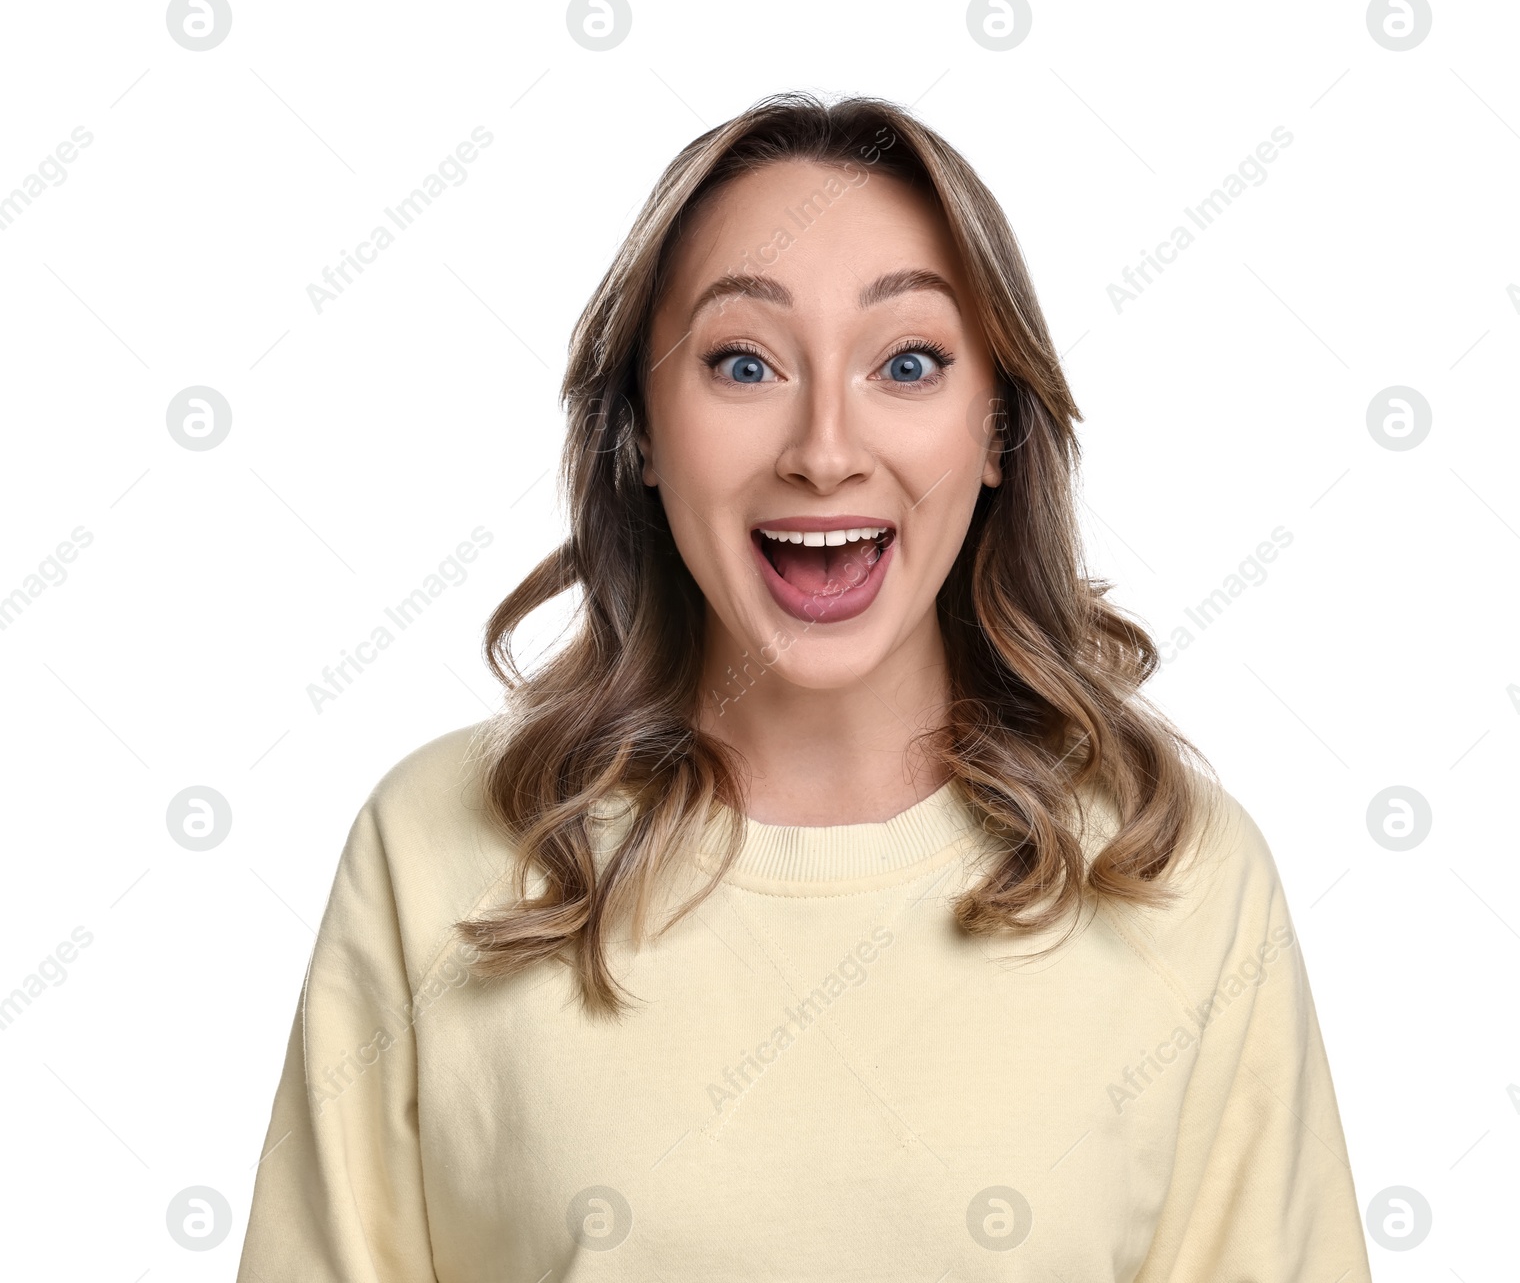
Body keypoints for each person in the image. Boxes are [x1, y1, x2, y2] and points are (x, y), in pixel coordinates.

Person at [236, 92, 1372, 1281]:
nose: (824, 449)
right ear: (637, 433)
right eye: (743, 362)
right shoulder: (432, 852)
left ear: (996, 432)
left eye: (909, 363)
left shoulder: (1174, 873)